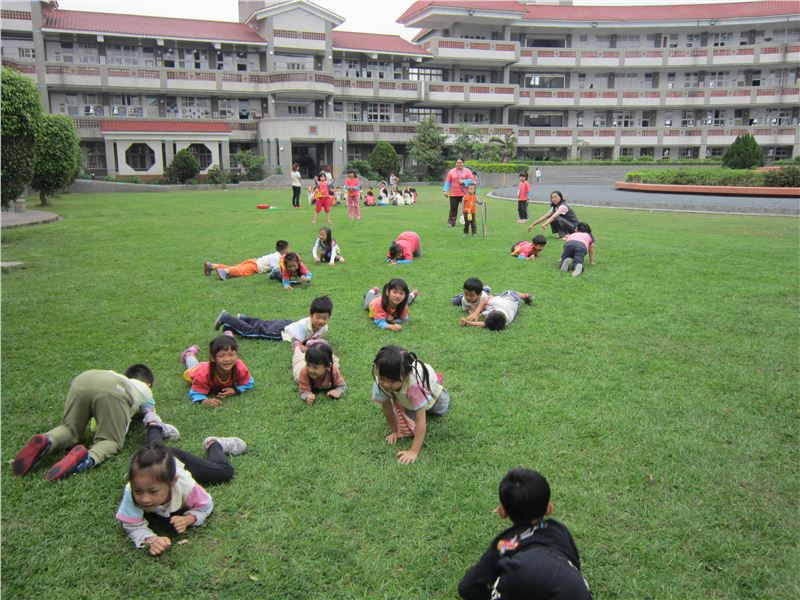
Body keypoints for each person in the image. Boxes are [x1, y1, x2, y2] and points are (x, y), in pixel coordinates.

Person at [12, 365, 177, 481]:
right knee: (110, 440)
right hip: (114, 390)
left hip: (84, 379)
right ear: (149, 384)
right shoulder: (145, 390)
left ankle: (48, 440)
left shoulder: (114, 374)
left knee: (69, 428)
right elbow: (149, 413)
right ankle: (86, 459)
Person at [458, 468, 592, 600]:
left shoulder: (504, 544)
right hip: (575, 590)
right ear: (549, 508)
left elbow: (468, 586)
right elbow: (574, 565)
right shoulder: (560, 530)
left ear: (502, 511)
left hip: (524, 576)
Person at [116, 432, 247, 556]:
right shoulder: (131, 490)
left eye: (153, 491)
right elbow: (131, 524)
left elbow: (205, 506)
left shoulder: (186, 486)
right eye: (138, 491)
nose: (145, 499)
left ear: (172, 483)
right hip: (156, 458)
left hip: (175, 459)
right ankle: (154, 424)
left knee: (224, 472)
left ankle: (214, 444)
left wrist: (188, 519)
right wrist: (151, 540)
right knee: (152, 446)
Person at [371, 345, 450, 464]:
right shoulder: (380, 383)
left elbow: (421, 421)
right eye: (382, 378)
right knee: (409, 425)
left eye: (392, 381)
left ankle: (439, 386)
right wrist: (395, 431)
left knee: (439, 410)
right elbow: (387, 410)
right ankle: (409, 401)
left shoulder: (414, 384)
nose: (386, 384)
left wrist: (413, 451)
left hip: (430, 392)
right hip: (408, 398)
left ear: (406, 376)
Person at [214, 296, 332, 349]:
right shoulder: (303, 327)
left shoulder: (324, 327)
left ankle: (245, 319)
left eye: (324, 318)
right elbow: (296, 345)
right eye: (318, 317)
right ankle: (227, 318)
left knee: (263, 324)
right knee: (254, 332)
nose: (321, 321)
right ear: (310, 315)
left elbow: (313, 339)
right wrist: (309, 349)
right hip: (280, 331)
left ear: (329, 317)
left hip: (288, 324)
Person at [180, 335, 254, 407]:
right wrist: (204, 401)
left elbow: (248, 382)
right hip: (197, 370)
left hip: (213, 365)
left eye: (231, 355)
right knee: (193, 365)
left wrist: (235, 390)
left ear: (237, 356)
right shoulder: (203, 374)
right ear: (212, 357)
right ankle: (189, 353)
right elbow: (195, 392)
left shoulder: (239, 366)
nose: (227, 359)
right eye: (221, 356)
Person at [291, 340, 346, 406]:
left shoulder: (333, 370)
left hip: (324, 363)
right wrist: (307, 396)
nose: (310, 370)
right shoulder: (304, 372)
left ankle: (312, 347)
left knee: (335, 361)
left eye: (315, 367)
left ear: (328, 366)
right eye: (308, 365)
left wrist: (337, 391)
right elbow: (304, 391)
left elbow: (342, 385)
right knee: (298, 357)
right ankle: (297, 345)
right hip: (300, 366)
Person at [204, 240, 289, 281]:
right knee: (240, 271)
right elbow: (276, 269)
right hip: (255, 266)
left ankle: (212, 266)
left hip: (253, 262)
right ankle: (225, 272)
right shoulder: (277, 257)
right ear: (285, 249)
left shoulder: (275, 255)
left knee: (235, 267)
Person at [460, 290, 532, 331]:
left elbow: (485, 324)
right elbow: (485, 300)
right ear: (494, 310)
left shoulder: (503, 321)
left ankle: (525, 296)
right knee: (509, 293)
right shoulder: (499, 305)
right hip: (510, 297)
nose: (485, 317)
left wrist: (468, 323)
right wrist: (476, 313)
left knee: (511, 293)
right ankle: (525, 296)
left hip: (513, 302)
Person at [443, 158, 475, 227]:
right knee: (453, 209)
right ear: (455, 163)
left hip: (465, 194)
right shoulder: (451, 171)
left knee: (468, 209)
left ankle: (469, 222)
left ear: (463, 163)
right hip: (453, 194)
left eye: (461, 162)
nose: (459, 164)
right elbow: (448, 182)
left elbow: (472, 180)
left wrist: (464, 182)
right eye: (458, 162)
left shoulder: (467, 171)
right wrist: (445, 191)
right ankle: (451, 223)